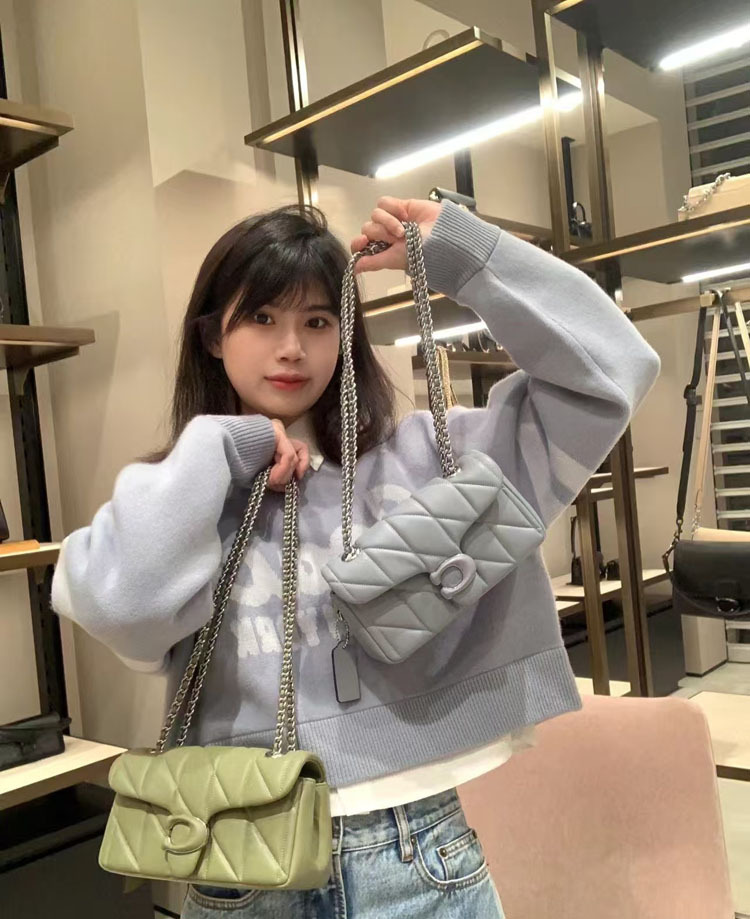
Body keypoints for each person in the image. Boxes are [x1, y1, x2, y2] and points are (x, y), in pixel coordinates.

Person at [51, 196, 661, 918]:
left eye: (317, 321)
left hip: (416, 848)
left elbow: (612, 371)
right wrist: (223, 447)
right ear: (213, 336)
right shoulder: (182, 492)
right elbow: (114, 605)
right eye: (262, 318)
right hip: (243, 859)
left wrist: (462, 254)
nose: (291, 348)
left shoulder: (427, 461)